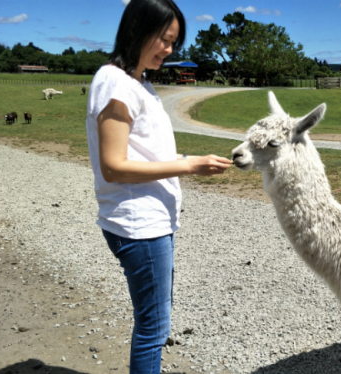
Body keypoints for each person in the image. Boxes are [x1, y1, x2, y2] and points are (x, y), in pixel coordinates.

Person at [85, 0, 232, 372]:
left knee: (152, 323)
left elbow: (145, 149)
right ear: (137, 29)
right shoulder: (115, 82)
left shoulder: (139, 82)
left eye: (173, 43)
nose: (168, 50)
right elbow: (114, 167)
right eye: (164, 40)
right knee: (153, 329)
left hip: (150, 221)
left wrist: (188, 158)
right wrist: (189, 166)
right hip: (139, 225)